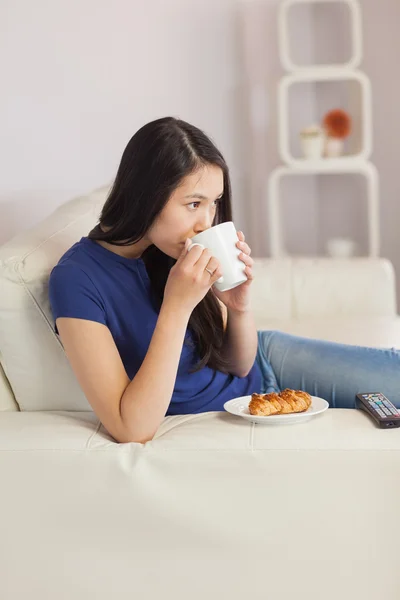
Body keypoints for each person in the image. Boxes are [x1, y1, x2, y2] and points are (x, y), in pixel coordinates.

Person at [49, 116, 400, 443]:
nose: (206, 222)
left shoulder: (168, 248)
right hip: (246, 406)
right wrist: (176, 306)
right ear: (145, 198)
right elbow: (132, 428)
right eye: (193, 204)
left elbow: (240, 365)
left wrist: (239, 307)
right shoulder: (76, 279)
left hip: (267, 361)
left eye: (213, 203)